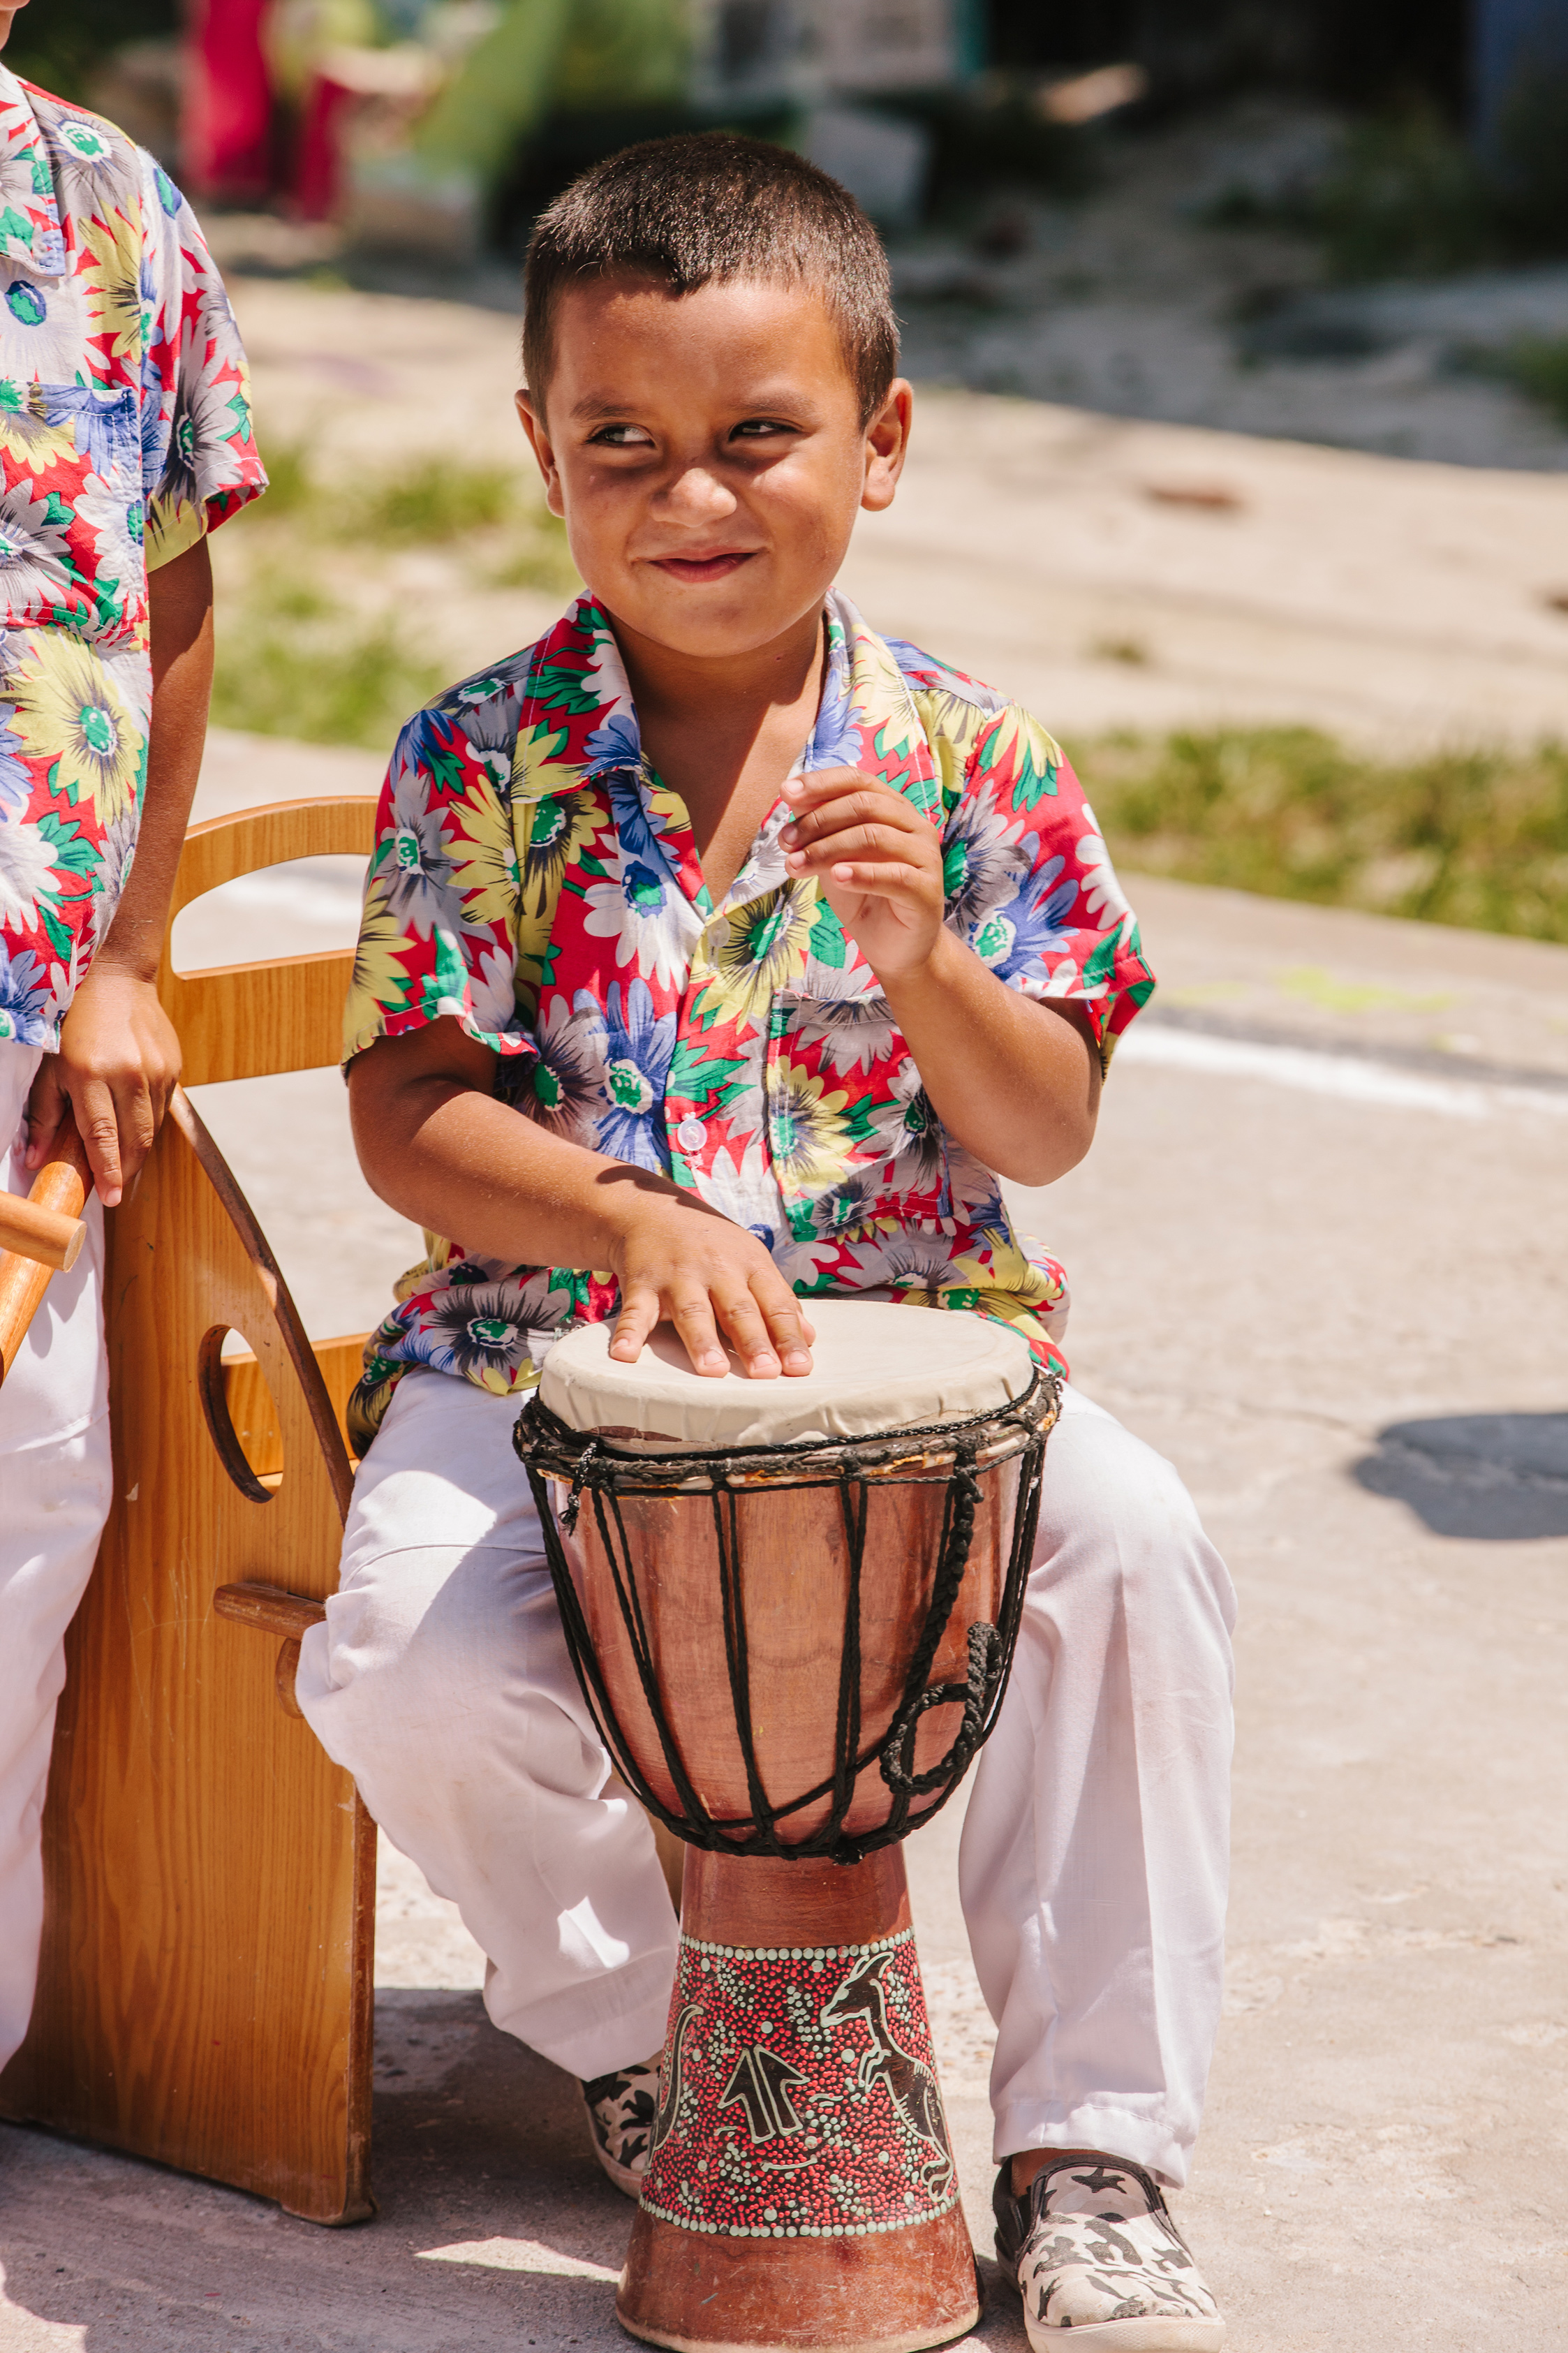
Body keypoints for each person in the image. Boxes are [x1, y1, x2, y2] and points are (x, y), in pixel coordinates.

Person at [298, 134, 1236, 2350]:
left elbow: (1050, 1120)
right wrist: (624, 1217)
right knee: (413, 1670)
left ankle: (1092, 2146)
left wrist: (927, 962)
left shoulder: (979, 761)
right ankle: (672, 2042)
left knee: (1133, 1556)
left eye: (757, 439)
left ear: (880, 443)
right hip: (542, 1354)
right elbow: (404, 1114)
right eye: (621, 441)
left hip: (921, 1354)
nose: (690, 497)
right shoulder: (482, 762)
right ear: (540, 450)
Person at [0, 16, 265, 2074]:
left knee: (34, 1495)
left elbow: (163, 610)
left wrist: (128, 953)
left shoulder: (116, 211)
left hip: (27, 999)